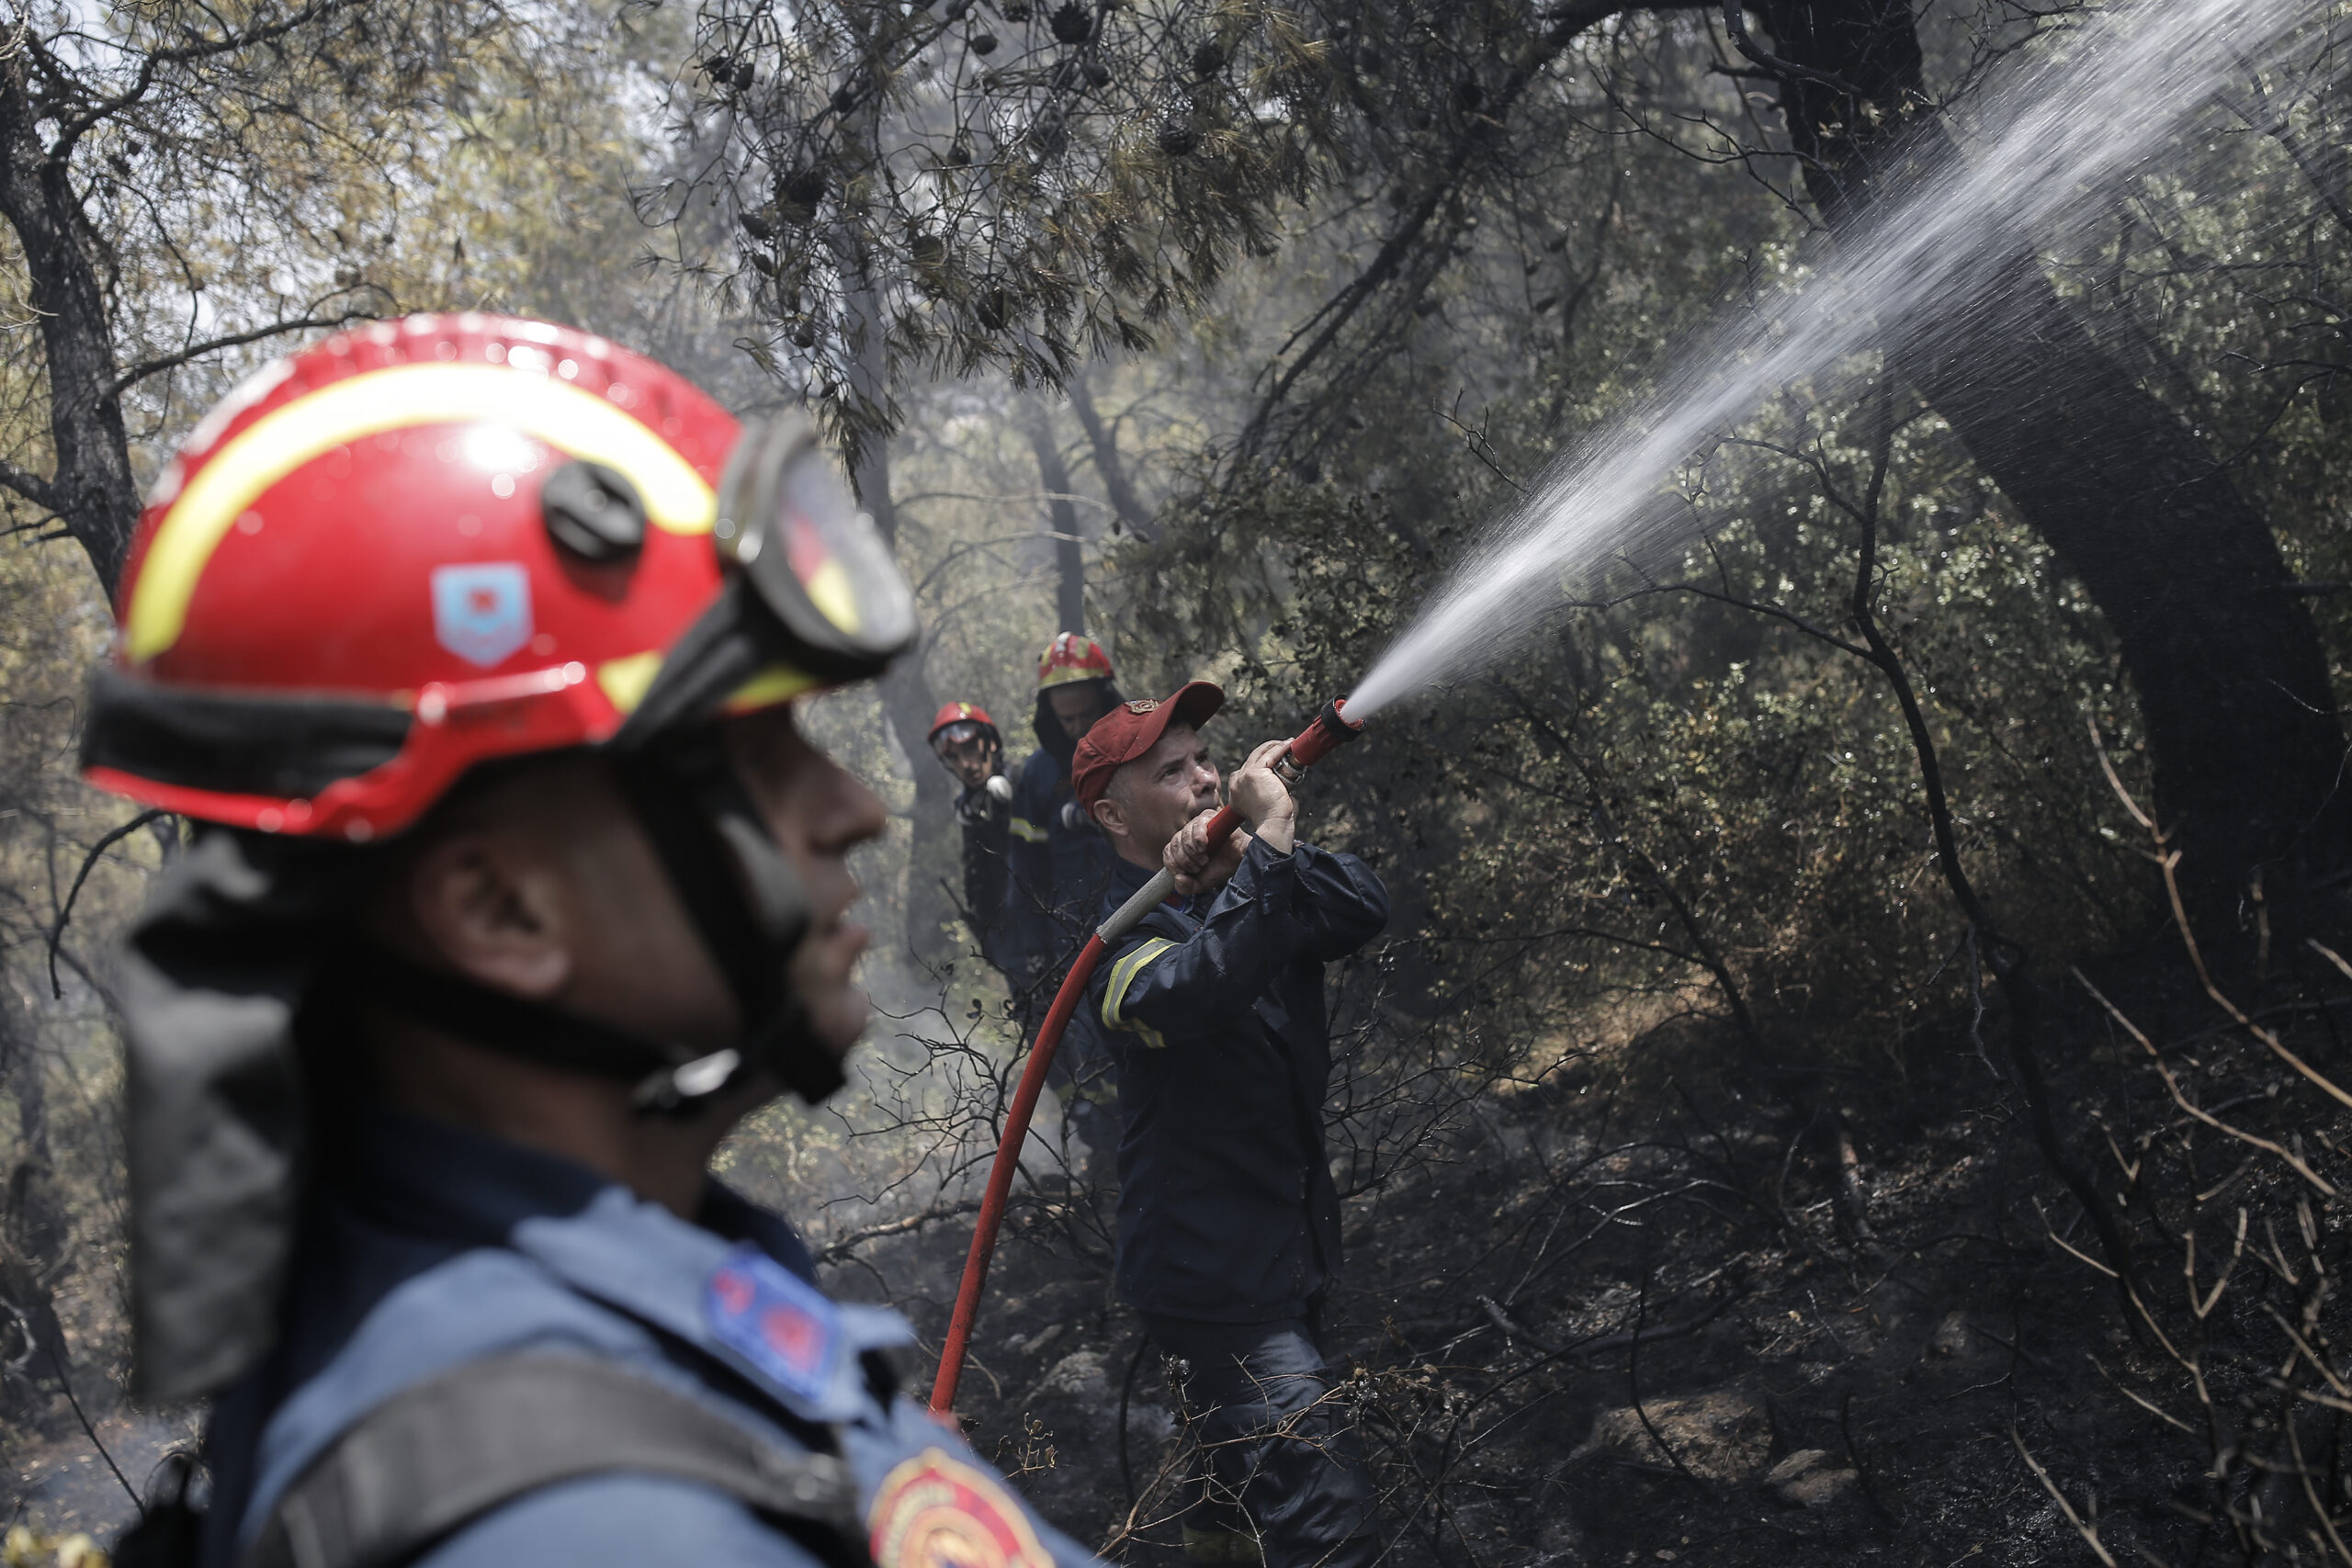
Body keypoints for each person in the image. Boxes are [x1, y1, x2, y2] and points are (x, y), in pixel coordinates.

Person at [85, 315, 1103, 1568]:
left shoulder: (579, 1307)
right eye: (753, 760)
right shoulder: (591, 1519)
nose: (856, 810)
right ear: (501, 909)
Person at [1071, 684, 1389, 1568]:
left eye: (1204, 757)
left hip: (1281, 1253)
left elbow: (1363, 905)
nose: (1207, 778)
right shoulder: (1113, 952)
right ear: (1114, 813)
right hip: (1217, 1287)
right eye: (1171, 771)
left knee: (1235, 1501)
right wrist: (1266, 853)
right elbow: (1205, 985)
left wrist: (1255, 850)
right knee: (1330, 1522)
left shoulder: (1249, 876)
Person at [1006, 633, 1123, 1161]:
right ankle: (1108, 1156)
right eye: (1066, 720)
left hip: (1145, 916)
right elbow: (1024, 870)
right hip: (1071, 935)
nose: (1077, 728)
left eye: (1084, 715)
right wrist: (1033, 946)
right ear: (1049, 712)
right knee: (1091, 1049)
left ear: (1104, 695)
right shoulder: (1037, 775)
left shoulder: (1135, 746)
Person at [926, 700, 1016, 975]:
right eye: (954, 757)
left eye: (969, 748)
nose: (965, 764)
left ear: (989, 743)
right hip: (1008, 944)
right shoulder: (968, 809)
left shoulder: (1024, 781)